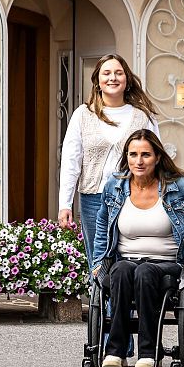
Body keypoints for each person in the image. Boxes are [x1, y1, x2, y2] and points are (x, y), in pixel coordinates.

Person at [92, 129, 184, 367]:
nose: (139, 161)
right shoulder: (115, 186)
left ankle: (149, 352)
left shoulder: (182, 186)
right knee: (121, 271)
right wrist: (99, 260)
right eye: (133, 154)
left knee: (145, 272)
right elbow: (102, 223)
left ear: (157, 157)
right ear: (126, 157)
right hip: (126, 260)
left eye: (146, 155)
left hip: (169, 264)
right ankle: (115, 352)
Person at [58, 54, 159, 270]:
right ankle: (101, 305)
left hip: (134, 197)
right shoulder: (82, 115)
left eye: (118, 73)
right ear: (97, 80)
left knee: (128, 259)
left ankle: (124, 305)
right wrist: (65, 203)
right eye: (106, 73)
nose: (112, 78)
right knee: (99, 262)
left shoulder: (143, 116)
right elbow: (71, 160)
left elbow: (156, 159)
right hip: (94, 198)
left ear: (127, 80)